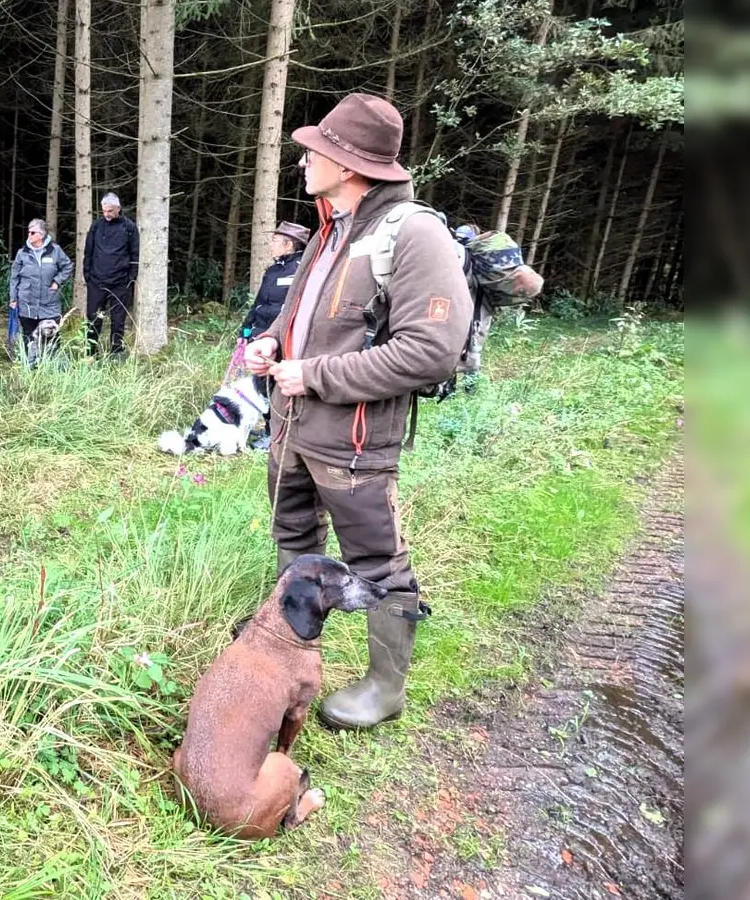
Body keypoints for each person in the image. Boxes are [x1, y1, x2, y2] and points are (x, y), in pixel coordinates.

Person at [243, 94, 473, 731]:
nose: (303, 162)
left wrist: (313, 374)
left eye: (312, 152)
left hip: (356, 443)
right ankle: (292, 650)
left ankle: (384, 687)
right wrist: (274, 343)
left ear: (347, 164)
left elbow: (431, 352)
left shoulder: (414, 232)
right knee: (293, 534)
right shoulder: (331, 229)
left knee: (377, 562)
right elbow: (305, 316)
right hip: (291, 428)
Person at [241, 221, 312, 447]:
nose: (270, 245)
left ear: (288, 244)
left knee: (276, 387)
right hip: (261, 336)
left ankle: (276, 435)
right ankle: (268, 428)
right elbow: (259, 304)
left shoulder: (302, 270)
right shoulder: (273, 270)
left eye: (274, 241)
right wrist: (245, 330)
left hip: (282, 340)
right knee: (261, 384)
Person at [8, 219, 74, 366]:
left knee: (52, 338)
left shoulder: (55, 251)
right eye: (28, 232)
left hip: (49, 304)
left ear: (42, 234)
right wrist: (13, 299)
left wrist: (57, 281)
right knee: (29, 338)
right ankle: (30, 368)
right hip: (27, 304)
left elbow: (68, 267)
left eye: (33, 232)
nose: (29, 235)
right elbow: (14, 277)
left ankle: (52, 368)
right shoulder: (22, 253)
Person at [82, 192, 139, 358]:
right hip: (97, 281)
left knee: (118, 320)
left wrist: (131, 278)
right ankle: (90, 352)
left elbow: (135, 255)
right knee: (93, 318)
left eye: (110, 211)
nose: (106, 214)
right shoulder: (96, 226)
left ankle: (116, 352)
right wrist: (88, 275)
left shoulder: (129, 227)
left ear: (118, 209)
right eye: (104, 211)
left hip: (121, 283)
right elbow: (88, 252)